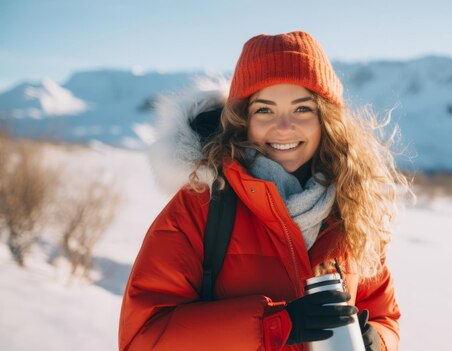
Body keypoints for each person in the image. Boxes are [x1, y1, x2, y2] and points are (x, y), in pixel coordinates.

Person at [119, 30, 409, 351]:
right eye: (265, 110)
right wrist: (274, 325)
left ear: (326, 119)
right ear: (244, 120)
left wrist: (377, 341)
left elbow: (383, 314)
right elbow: (143, 338)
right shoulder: (202, 203)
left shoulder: (350, 206)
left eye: (302, 109)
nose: (283, 127)